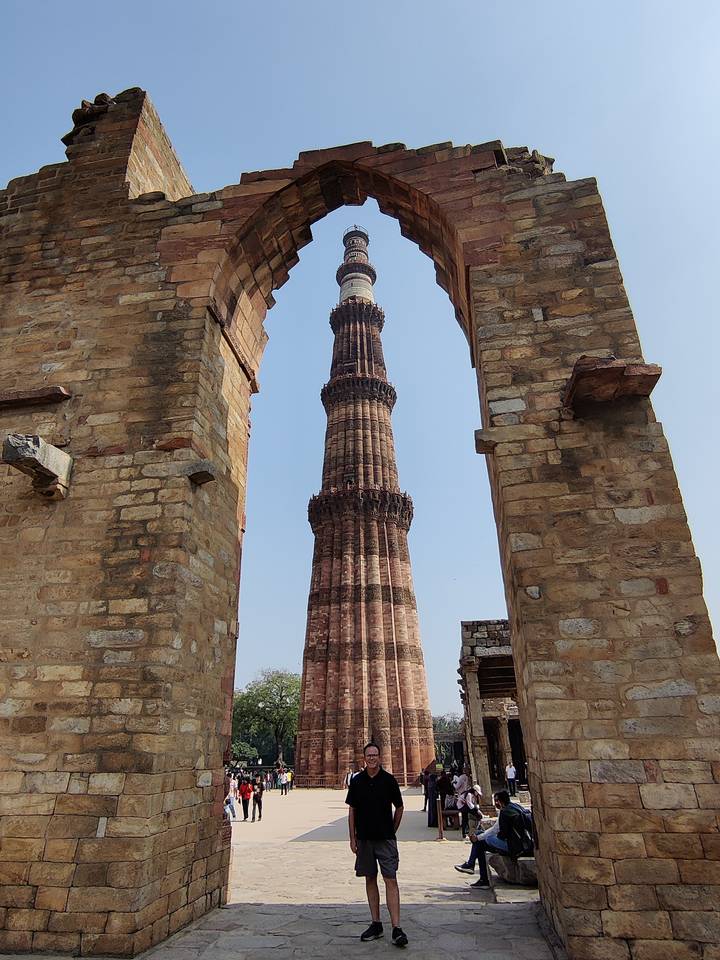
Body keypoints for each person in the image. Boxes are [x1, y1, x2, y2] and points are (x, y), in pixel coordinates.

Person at [346, 742, 408, 948]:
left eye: (375, 755)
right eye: (368, 755)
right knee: (370, 879)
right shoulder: (357, 781)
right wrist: (352, 838)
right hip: (364, 839)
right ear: (364, 758)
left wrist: (392, 830)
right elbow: (352, 811)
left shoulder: (389, 780)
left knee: (390, 879)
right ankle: (376, 923)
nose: (372, 758)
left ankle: (396, 927)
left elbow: (399, 807)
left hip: (385, 838)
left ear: (379, 757)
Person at [454, 790, 533, 888]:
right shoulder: (515, 807)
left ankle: (478, 874)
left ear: (500, 801)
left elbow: (496, 830)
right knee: (480, 838)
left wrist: (478, 837)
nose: (495, 803)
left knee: (481, 842)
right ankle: (472, 867)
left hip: (514, 846)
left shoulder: (505, 812)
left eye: (496, 801)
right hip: (523, 843)